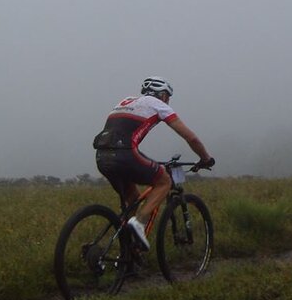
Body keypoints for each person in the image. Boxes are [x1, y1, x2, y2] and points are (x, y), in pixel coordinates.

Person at [92, 76, 214, 250]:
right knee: (164, 181)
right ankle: (140, 222)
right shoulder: (159, 105)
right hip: (125, 154)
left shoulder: (125, 101)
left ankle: (128, 253)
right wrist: (205, 158)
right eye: (168, 97)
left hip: (102, 156)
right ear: (163, 95)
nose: (168, 101)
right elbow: (191, 137)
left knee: (133, 199)